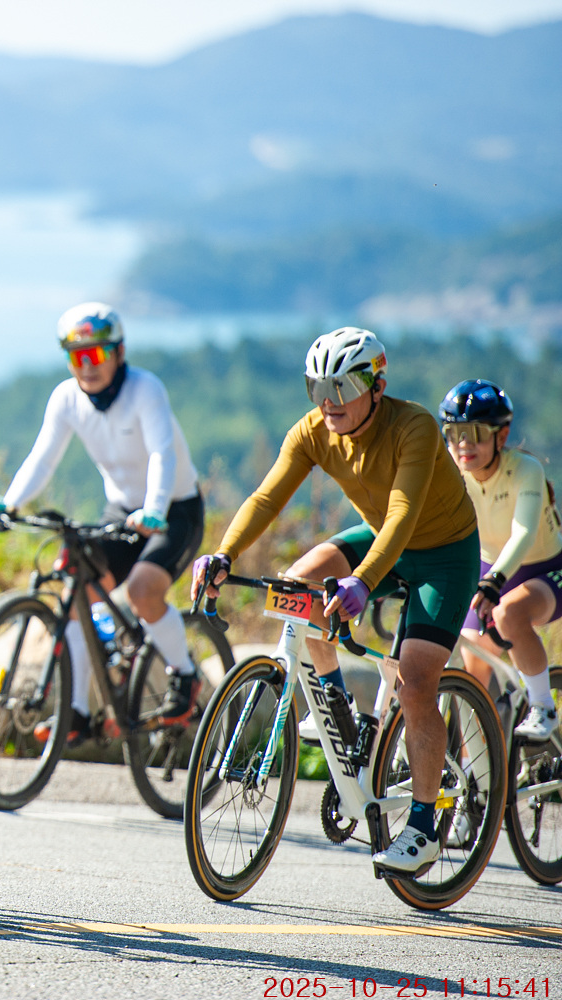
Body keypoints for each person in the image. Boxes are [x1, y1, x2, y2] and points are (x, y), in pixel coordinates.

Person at [192, 328, 479, 877]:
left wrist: (364, 582)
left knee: (417, 682)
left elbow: (402, 515)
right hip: (380, 537)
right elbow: (266, 497)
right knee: (297, 586)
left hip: (442, 553)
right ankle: (337, 709)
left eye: (343, 387)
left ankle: (423, 826)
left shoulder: (414, 426)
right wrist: (223, 554)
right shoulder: (313, 431)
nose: (329, 401)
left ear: (377, 387)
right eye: (317, 387)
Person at [0, 302, 204, 741]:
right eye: (76, 356)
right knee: (77, 591)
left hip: (173, 510)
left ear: (119, 353)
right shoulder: (66, 398)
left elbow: (162, 453)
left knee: (142, 591)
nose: (87, 366)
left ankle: (185, 674)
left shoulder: (145, 389)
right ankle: (76, 712)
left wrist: (155, 509)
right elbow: (43, 459)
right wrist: (9, 504)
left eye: (96, 354)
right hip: (120, 512)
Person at [441, 379, 561, 740]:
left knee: (509, 614)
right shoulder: (452, 473)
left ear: (502, 435)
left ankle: (544, 706)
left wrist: (494, 581)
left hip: (545, 568)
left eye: (476, 433)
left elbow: (523, 533)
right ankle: (478, 766)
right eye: (455, 434)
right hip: (489, 570)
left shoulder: (526, 469)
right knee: (472, 667)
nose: (464, 444)